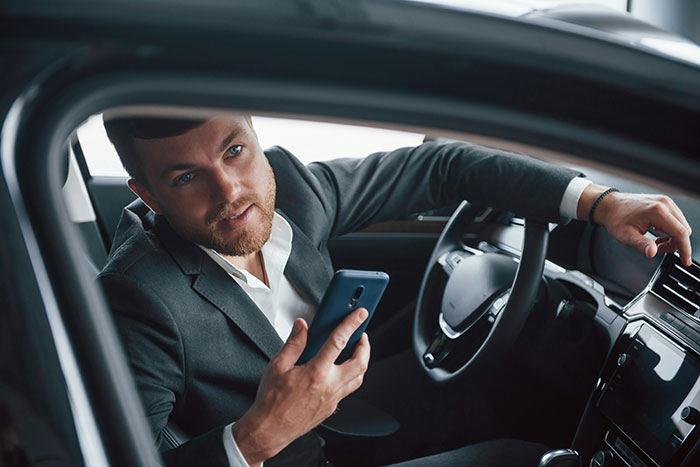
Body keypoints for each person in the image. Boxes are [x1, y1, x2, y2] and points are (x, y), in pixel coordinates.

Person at [99, 114, 692, 467]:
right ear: (148, 195)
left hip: (347, 424)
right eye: (185, 177)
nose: (229, 191)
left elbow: (442, 169)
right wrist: (260, 433)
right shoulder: (136, 295)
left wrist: (599, 202)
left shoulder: (293, 191)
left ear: (255, 133)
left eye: (235, 151)